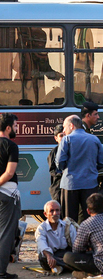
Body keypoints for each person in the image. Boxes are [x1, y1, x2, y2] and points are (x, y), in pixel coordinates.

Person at [63, 193, 103, 277]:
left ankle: (90, 273)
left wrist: (88, 246)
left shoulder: (87, 224)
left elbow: (77, 250)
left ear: (88, 211)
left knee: (67, 257)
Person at [56, 115, 103, 223]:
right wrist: (91, 170)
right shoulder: (94, 139)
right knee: (91, 217)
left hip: (70, 184)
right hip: (90, 183)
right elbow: (102, 162)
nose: (63, 130)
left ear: (71, 125)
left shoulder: (67, 139)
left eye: (64, 127)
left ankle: (72, 240)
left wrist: (65, 169)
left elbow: (59, 162)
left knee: (69, 220)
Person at [0, 113, 21, 279]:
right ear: (7, 128)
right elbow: (9, 172)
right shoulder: (11, 146)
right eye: (15, 126)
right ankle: (1, 272)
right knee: (6, 234)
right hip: (7, 195)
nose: (16, 129)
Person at [35, 200, 76, 273]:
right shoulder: (41, 228)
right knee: (43, 258)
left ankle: (62, 266)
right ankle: (71, 267)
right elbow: (41, 244)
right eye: (51, 211)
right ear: (45, 214)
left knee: (72, 257)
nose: (55, 213)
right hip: (50, 255)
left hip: (65, 255)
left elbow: (75, 245)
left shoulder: (68, 226)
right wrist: (49, 256)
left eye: (57, 210)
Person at [47, 124, 65, 203]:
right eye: (61, 136)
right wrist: (63, 174)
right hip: (58, 187)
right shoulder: (54, 152)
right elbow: (52, 171)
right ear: (56, 138)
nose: (63, 138)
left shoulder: (73, 150)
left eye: (65, 135)